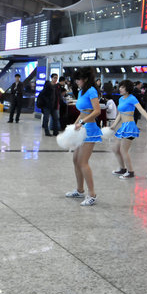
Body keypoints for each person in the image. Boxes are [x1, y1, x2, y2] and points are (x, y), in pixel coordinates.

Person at [64, 67, 102, 206]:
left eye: (78, 79)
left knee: (83, 162)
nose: (76, 82)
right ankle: (80, 190)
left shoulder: (91, 91)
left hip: (90, 130)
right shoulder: (81, 91)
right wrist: (75, 125)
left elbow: (97, 111)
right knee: (76, 160)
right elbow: (83, 111)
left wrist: (82, 122)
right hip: (81, 128)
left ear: (85, 79)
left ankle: (92, 194)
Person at [109, 80, 147, 179]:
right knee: (116, 149)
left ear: (127, 88)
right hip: (123, 127)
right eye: (120, 87)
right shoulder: (121, 99)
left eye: (122, 87)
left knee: (123, 150)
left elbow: (141, 109)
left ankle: (130, 172)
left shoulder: (132, 98)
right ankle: (122, 169)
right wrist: (113, 125)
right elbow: (120, 114)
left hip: (130, 126)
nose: (120, 89)